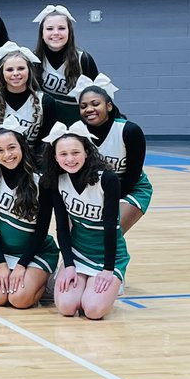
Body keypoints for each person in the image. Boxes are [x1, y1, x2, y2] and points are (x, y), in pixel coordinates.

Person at [42, 123, 128, 319]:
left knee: (93, 311)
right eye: (63, 154)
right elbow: (62, 227)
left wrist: (108, 270)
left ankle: (112, 280)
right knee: (66, 307)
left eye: (75, 152)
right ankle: (83, 279)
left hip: (107, 255)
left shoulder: (107, 179)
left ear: (87, 152)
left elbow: (111, 227)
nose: (70, 159)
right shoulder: (57, 180)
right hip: (78, 252)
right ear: (55, 157)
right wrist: (69, 264)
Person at [0, 118, 60, 308]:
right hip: (6, 253)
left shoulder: (40, 182)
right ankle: (29, 281)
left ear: (22, 147)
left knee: (19, 300)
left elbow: (41, 230)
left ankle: (45, 283)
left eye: (12, 147)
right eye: (0, 150)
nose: (7, 154)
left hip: (36, 252)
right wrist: (0, 264)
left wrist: (21, 266)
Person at [76, 78, 150, 233]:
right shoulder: (77, 134)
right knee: (79, 237)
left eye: (95, 104)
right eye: (83, 106)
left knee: (110, 233)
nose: (89, 109)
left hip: (130, 188)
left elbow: (133, 174)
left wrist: (106, 201)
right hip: (94, 190)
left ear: (109, 106)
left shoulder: (129, 131)